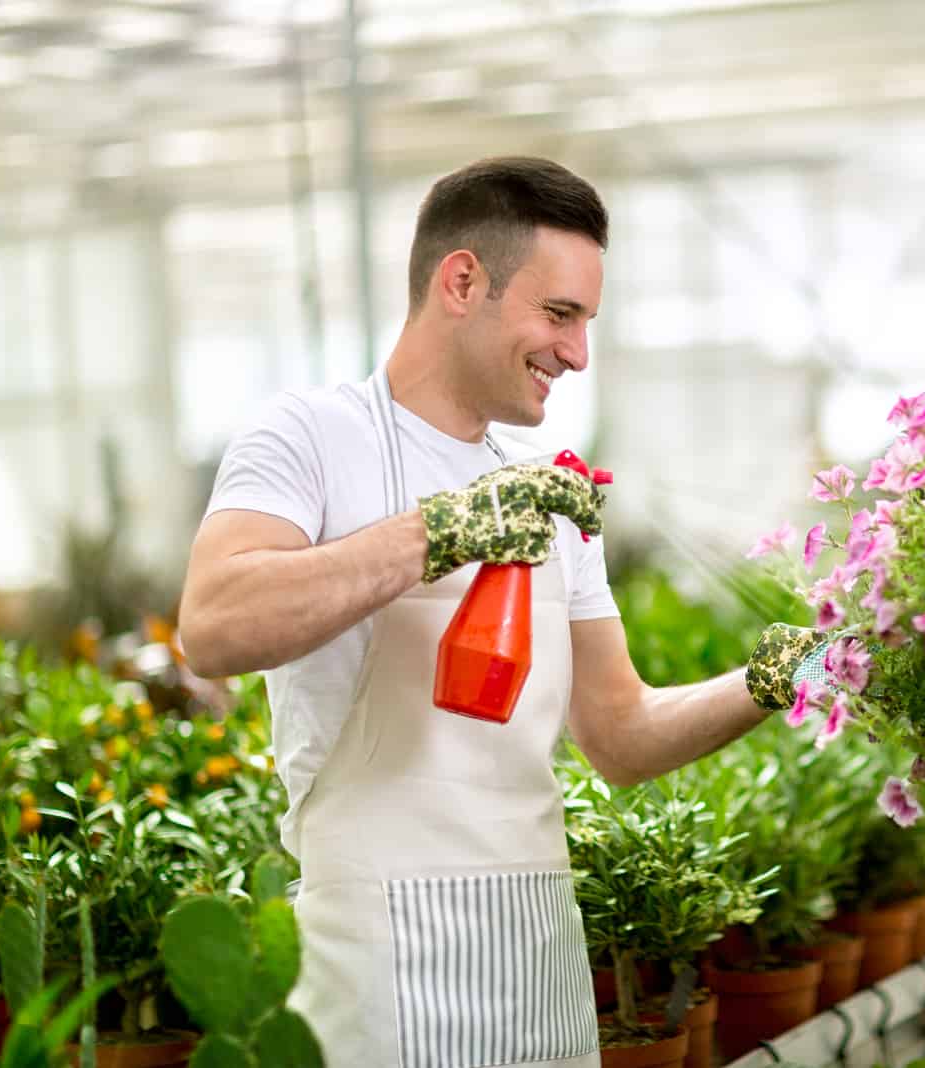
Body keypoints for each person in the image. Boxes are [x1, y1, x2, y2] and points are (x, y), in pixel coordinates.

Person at [178, 156, 820, 1068]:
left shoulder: (545, 495)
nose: (576, 353)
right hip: (376, 959)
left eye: (587, 323)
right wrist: (441, 531)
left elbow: (621, 732)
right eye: (560, 315)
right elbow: (212, 625)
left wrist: (774, 680)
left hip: (538, 957)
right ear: (463, 280)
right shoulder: (311, 435)